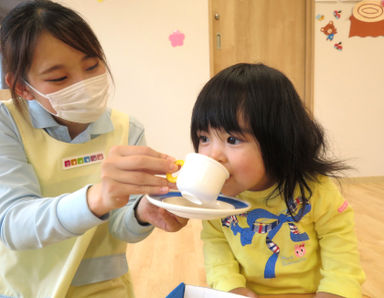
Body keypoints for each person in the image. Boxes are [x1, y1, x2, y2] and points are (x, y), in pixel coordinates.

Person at [0, 1, 188, 297]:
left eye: (92, 66)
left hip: (105, 290)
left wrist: (143, 211)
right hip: (26, 290)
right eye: (59, 78)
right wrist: (97, 197)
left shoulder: (127, 128)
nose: (84, 84)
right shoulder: (7, 125)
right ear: (22, 87)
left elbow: (120, 226)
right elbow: (12, 222)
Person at [190, 63, 365, 297]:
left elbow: (339, 240)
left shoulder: (315, 189)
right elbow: (215, 242)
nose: (213, 155)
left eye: (232, 140)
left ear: (276, 139)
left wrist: (336, 289)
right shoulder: (215, 194)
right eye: (204, 138)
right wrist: (230, 287)